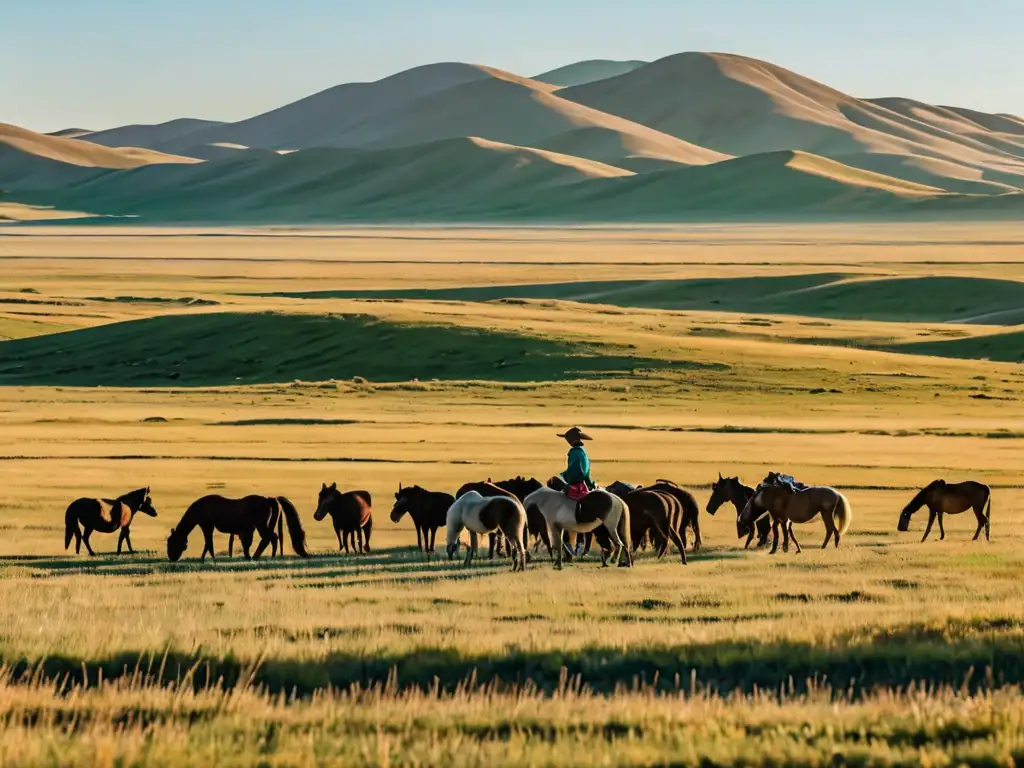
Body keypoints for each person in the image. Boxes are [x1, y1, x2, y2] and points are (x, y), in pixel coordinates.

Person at [558, 427, 595, 499]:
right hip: (585, 481)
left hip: (577, 484)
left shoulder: (574, 452)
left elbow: (574, 470)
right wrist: (590, 482)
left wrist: (564, 475)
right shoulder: (583, 451)